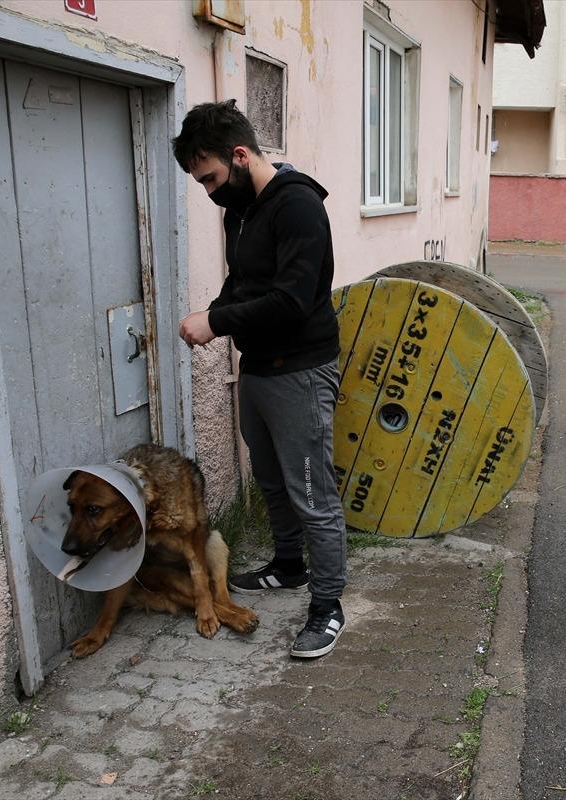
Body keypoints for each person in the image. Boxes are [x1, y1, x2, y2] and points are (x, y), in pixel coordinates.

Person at [172, 100, 348, 659]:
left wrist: (217, 322)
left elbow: (292, 301)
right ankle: (289, 566)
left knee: (312, 494)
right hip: (259, 369)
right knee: (271, 479)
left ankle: (327, 607)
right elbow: (243, 283)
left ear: (241, 154)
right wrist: (216, 309)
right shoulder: (239, 211)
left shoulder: (298, 207)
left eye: (211, 178)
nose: (209, 192)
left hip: (300, 371)